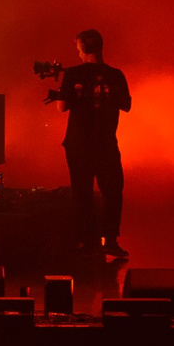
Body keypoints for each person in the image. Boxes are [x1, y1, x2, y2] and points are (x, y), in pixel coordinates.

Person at [49, 28, 132, 259]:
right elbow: (126, 105)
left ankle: (88, 242)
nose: (77, 54)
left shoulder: (74, 74)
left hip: (78, 144)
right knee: (113, 192)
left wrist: (66, 94)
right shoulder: (116, 75)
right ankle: (111, 241)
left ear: (84, 48)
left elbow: (62, 107)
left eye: (78, 49)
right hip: (106, 143)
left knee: (82, 193)